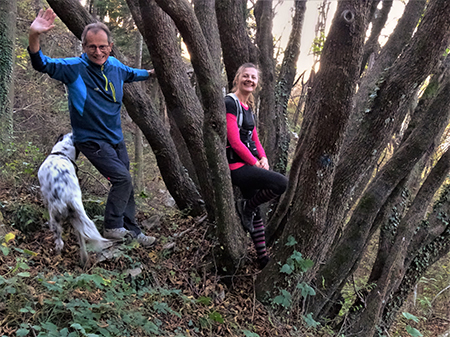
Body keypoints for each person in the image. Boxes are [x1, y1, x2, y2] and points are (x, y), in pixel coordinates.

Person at [28, 8, 156, 246]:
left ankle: (132, 230)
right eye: (92, 47)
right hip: (91, 140)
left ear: (110, 46)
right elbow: (41, 63)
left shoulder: (115, 66)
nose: (98, 52)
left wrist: (153, 72)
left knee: (125, 181)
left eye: (102, 47)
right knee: (123, 179)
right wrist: (34, 35)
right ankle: (112, 226)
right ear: (83, 47)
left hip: (115, 138)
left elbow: (133, 73)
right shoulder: (74, 68)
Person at [225, 63, 288, 269]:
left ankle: (263, 259)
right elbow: (234, 141)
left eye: (253, 77)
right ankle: (247, 206)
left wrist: (264, 158)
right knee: (281, 184)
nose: (249, 80)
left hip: (251, 165)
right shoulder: (230, 102)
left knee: (255, 212)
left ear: (257, 82)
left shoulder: (249, 107)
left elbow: (254, 137)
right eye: (246, 76)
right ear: (237, 78)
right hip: (237, 167)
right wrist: (254, 163)